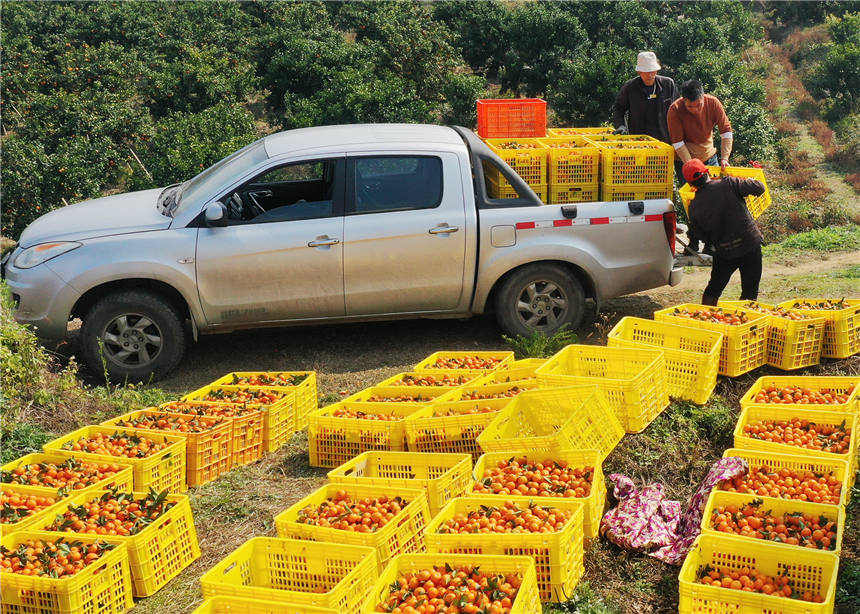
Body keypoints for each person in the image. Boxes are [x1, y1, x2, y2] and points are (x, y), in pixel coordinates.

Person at [682, 159, 766, 306]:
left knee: (713, 291)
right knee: (750, 292)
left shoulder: (694, 206)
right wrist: (749, 179)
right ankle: (744, 321)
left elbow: (697, 235)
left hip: (725, 252)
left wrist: (697, 246)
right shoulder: (728, 184)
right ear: (707, 172)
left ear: (690, 184)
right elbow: (759, 188)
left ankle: (706, 320)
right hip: (749, 245)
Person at [668, 80, 733, 180]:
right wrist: (692, 166)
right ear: (683, 100)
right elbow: (678, 142)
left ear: (703, 97)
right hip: (685, 161)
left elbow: (726, 131)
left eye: (699, 105)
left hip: (709, 157)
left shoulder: (713, 103)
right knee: (692, 194)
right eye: (690, 106)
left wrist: (725, 158)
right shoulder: (675, 109)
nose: (695, 110)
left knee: (715, 191)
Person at [611, 51, 678, 144]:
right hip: (639, 140)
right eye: (646, 72)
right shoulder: (630, 87)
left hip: (664, 140)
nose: (650, 75)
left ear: (657, 70)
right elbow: (618, 109)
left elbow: (677, 111)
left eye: (652, 71)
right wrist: (621, 126)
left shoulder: (668, 84)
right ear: (639, 72)